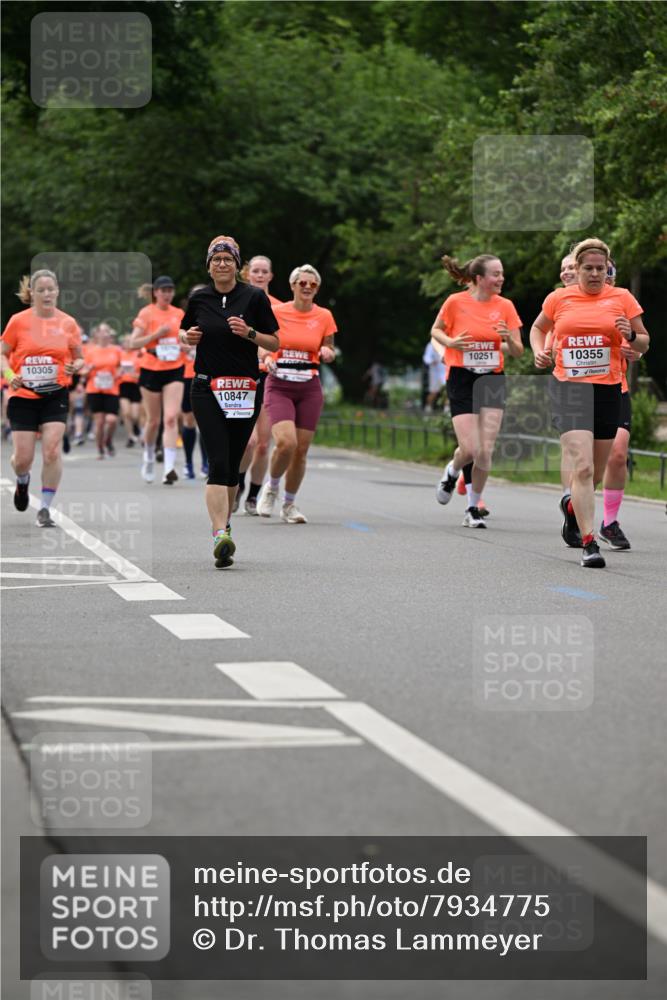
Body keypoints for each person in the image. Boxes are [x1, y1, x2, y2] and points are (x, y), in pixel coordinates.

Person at [530, 237, 649, 568]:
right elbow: (538, 329)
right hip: (569, 388)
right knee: (581, 466)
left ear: (607, 269)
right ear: (577, 269)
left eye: (601, 268)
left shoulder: (622, 298)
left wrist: (631, 340)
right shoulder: (559, 298)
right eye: (588, 268)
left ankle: (572, 507)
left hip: (608, 388)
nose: (595, 274)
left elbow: (644, 342)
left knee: (593, 472)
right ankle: (589, 542)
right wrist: (539, 350)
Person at [180, 235, 279, 568]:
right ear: (208, 266)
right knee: (218, 460)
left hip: (244, 389)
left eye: (228, 259)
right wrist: (187, 337)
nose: (222, 264)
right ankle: (220, 533)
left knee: (234, 462)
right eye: (216, 259)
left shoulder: (253, 297)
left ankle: (225, 523)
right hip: (206, 387)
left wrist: (250, 333)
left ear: (238, 266)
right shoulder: (199, 298)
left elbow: (274, 341)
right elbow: (184, 332)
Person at [432, 253, 523, 528]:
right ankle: (452, 470)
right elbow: (436, 331)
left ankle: (472, 507)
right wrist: (452, 342)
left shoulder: (505, 306)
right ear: (479, 279)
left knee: (485, 450)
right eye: (495, 274)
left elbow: (518, 351)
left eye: (502, 273)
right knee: (470, 448)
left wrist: (507, 337)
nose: (501, 279)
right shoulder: (455, 302)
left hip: (493, 379)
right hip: (462, 377)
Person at [1, 268, 83, 526]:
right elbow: (2, 353)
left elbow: (79, 356)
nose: (47, 294)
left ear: (57, 291)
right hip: (22, 394)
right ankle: (22, 481)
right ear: (32, 293)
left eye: (51, 289)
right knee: (23, 458)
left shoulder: (68, 323)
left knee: (51, 451)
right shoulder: (18, 321)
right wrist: (9, 372)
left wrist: (76, 366)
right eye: (41, 290)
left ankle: (45, 508)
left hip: (55, 393)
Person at [256, 264, 337, 524]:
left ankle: (289, 505)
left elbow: (328, 347)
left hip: (309, 387)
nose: (307, 288)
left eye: (312, 284)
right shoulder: (276, 312)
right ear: (292, 286)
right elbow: (262, 344)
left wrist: (327, 353)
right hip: (280, 384)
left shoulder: (324, 316)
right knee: (286, 443)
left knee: (301, 451)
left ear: (317, 288)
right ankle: (271, 487)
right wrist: (267, 356)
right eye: (302, 283)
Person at [234, 256, 282, 513]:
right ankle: (238, 485)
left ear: (271, 276)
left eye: (265, 271)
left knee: (264, 444)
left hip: (269, 376)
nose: (260, 275)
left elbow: (283, 340)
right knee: (248, 441)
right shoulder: (237, 301)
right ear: (247, 274)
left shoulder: (280, 307)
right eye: (256, 271)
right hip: (243, 376)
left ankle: (253, 495)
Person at [130, 275, 185, 485]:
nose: (168, 294)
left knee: (171, 418)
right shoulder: (147, 313)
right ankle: (149, 457)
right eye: (164, 290)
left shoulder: (179, 314)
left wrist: (187, 344)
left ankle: (169, 468)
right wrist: (156, 334)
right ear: (156, 292)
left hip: (174, 368)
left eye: (171, 290)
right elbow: (134, 342)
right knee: (154, 421)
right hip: (151, 369)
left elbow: (186, 337)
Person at [82, 323, 122, 459]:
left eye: (107, 331)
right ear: (97, 334)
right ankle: (100, 448)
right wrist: (88, 370)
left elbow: (122, 366)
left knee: (112, 420)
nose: (105, 334)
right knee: (99, 422)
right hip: (95, 389)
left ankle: (108, 440)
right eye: (102, 331)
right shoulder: (90, 350)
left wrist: (118, 373)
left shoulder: (117, 350)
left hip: (112, 388)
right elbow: (83, 371)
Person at [118, 334, 142, 447]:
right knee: (126, 413)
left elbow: (143, 372)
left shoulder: (139, 354)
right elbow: (114, 369)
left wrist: (136, 375)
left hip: (136, 386)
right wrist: (119, 372)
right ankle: (131, 436)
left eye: (129, 341)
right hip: (123, 385)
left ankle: (136, 426)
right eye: (125, 342)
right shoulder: (120, 355)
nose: (127, 344)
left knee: (135, 415)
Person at [422, 341, 447, 414]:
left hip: (445, 370)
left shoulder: (447, 343)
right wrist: (431, 361)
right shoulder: (431, 345)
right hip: (434, 371)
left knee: (446, 390)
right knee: (434, 392)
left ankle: (446, 409)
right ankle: (428, 407)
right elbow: (426, 357)